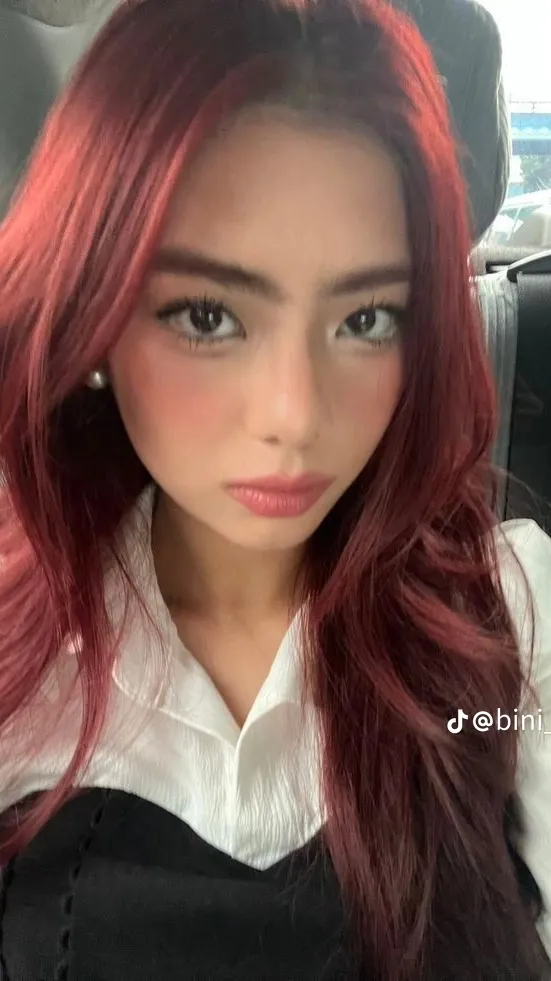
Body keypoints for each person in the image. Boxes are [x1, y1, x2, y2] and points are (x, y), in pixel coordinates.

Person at [0, 0, 550, 978]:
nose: (294, 416)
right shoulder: (17, 655)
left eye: (366, 319)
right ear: (96, 318)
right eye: (207, 315)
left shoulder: (513, 618)